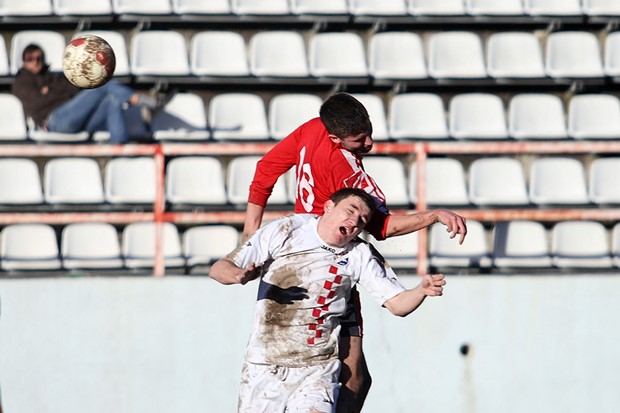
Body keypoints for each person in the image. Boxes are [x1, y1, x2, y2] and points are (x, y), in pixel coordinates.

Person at [242, 92, 467, 412]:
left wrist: (251, 234)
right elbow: (383, 228)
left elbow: (266, 168)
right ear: (335, 137)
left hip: (293, 255)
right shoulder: (349, 175)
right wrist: (433, 216)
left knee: (350, 375)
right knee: (351, 377)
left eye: (369, 132)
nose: (369, 142)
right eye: (359, 139)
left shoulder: (312, 129)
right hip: (330, 262)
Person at [211, 188, 447, 413]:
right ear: (328, 207)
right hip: (264, 365)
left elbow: (397, 304)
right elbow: (219, 268)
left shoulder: (359, 254)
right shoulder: (286, 230)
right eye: (351, 210)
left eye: (362, 221)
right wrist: (239, 275)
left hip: (317, 369)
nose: (355, 221)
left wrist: (420, 291)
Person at [11, 43, 171, 144]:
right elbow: (38, 103)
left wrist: (49, 92)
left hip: (78, 118)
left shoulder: (56, 77)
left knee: (112, 100)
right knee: (101, 87)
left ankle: (119, 149)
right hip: (54, 121)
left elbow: (76, 89)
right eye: (29, 58)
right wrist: (59, 94)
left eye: (38, 58)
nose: (35, 61)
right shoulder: (21, 81)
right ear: (23, 61)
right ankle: (145, 101)